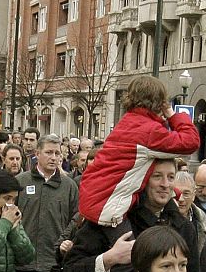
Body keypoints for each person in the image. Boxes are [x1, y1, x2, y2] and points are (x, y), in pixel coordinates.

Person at [64, 155, 198, 272]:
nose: (165, 184)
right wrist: (109, 258)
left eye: (171, 177)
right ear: (142, 180)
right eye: (157, 176)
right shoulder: (111, 219)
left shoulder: (184, 227)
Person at [75, 75, 199, 227]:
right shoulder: (148, 132)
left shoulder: (128, 122)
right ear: (159, 103)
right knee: (130, 249)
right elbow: (191, 142)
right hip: (108, 209)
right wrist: (172, 114)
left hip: (95, 199)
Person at [14, 135, 79, 272]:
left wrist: (64, 240)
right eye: (49, 152)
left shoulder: (69, 186)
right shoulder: (21, 182)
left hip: (52, 262)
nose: (54, 157)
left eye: (57, 153)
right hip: (22, 263)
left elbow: (76, 218)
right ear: (37, 154)